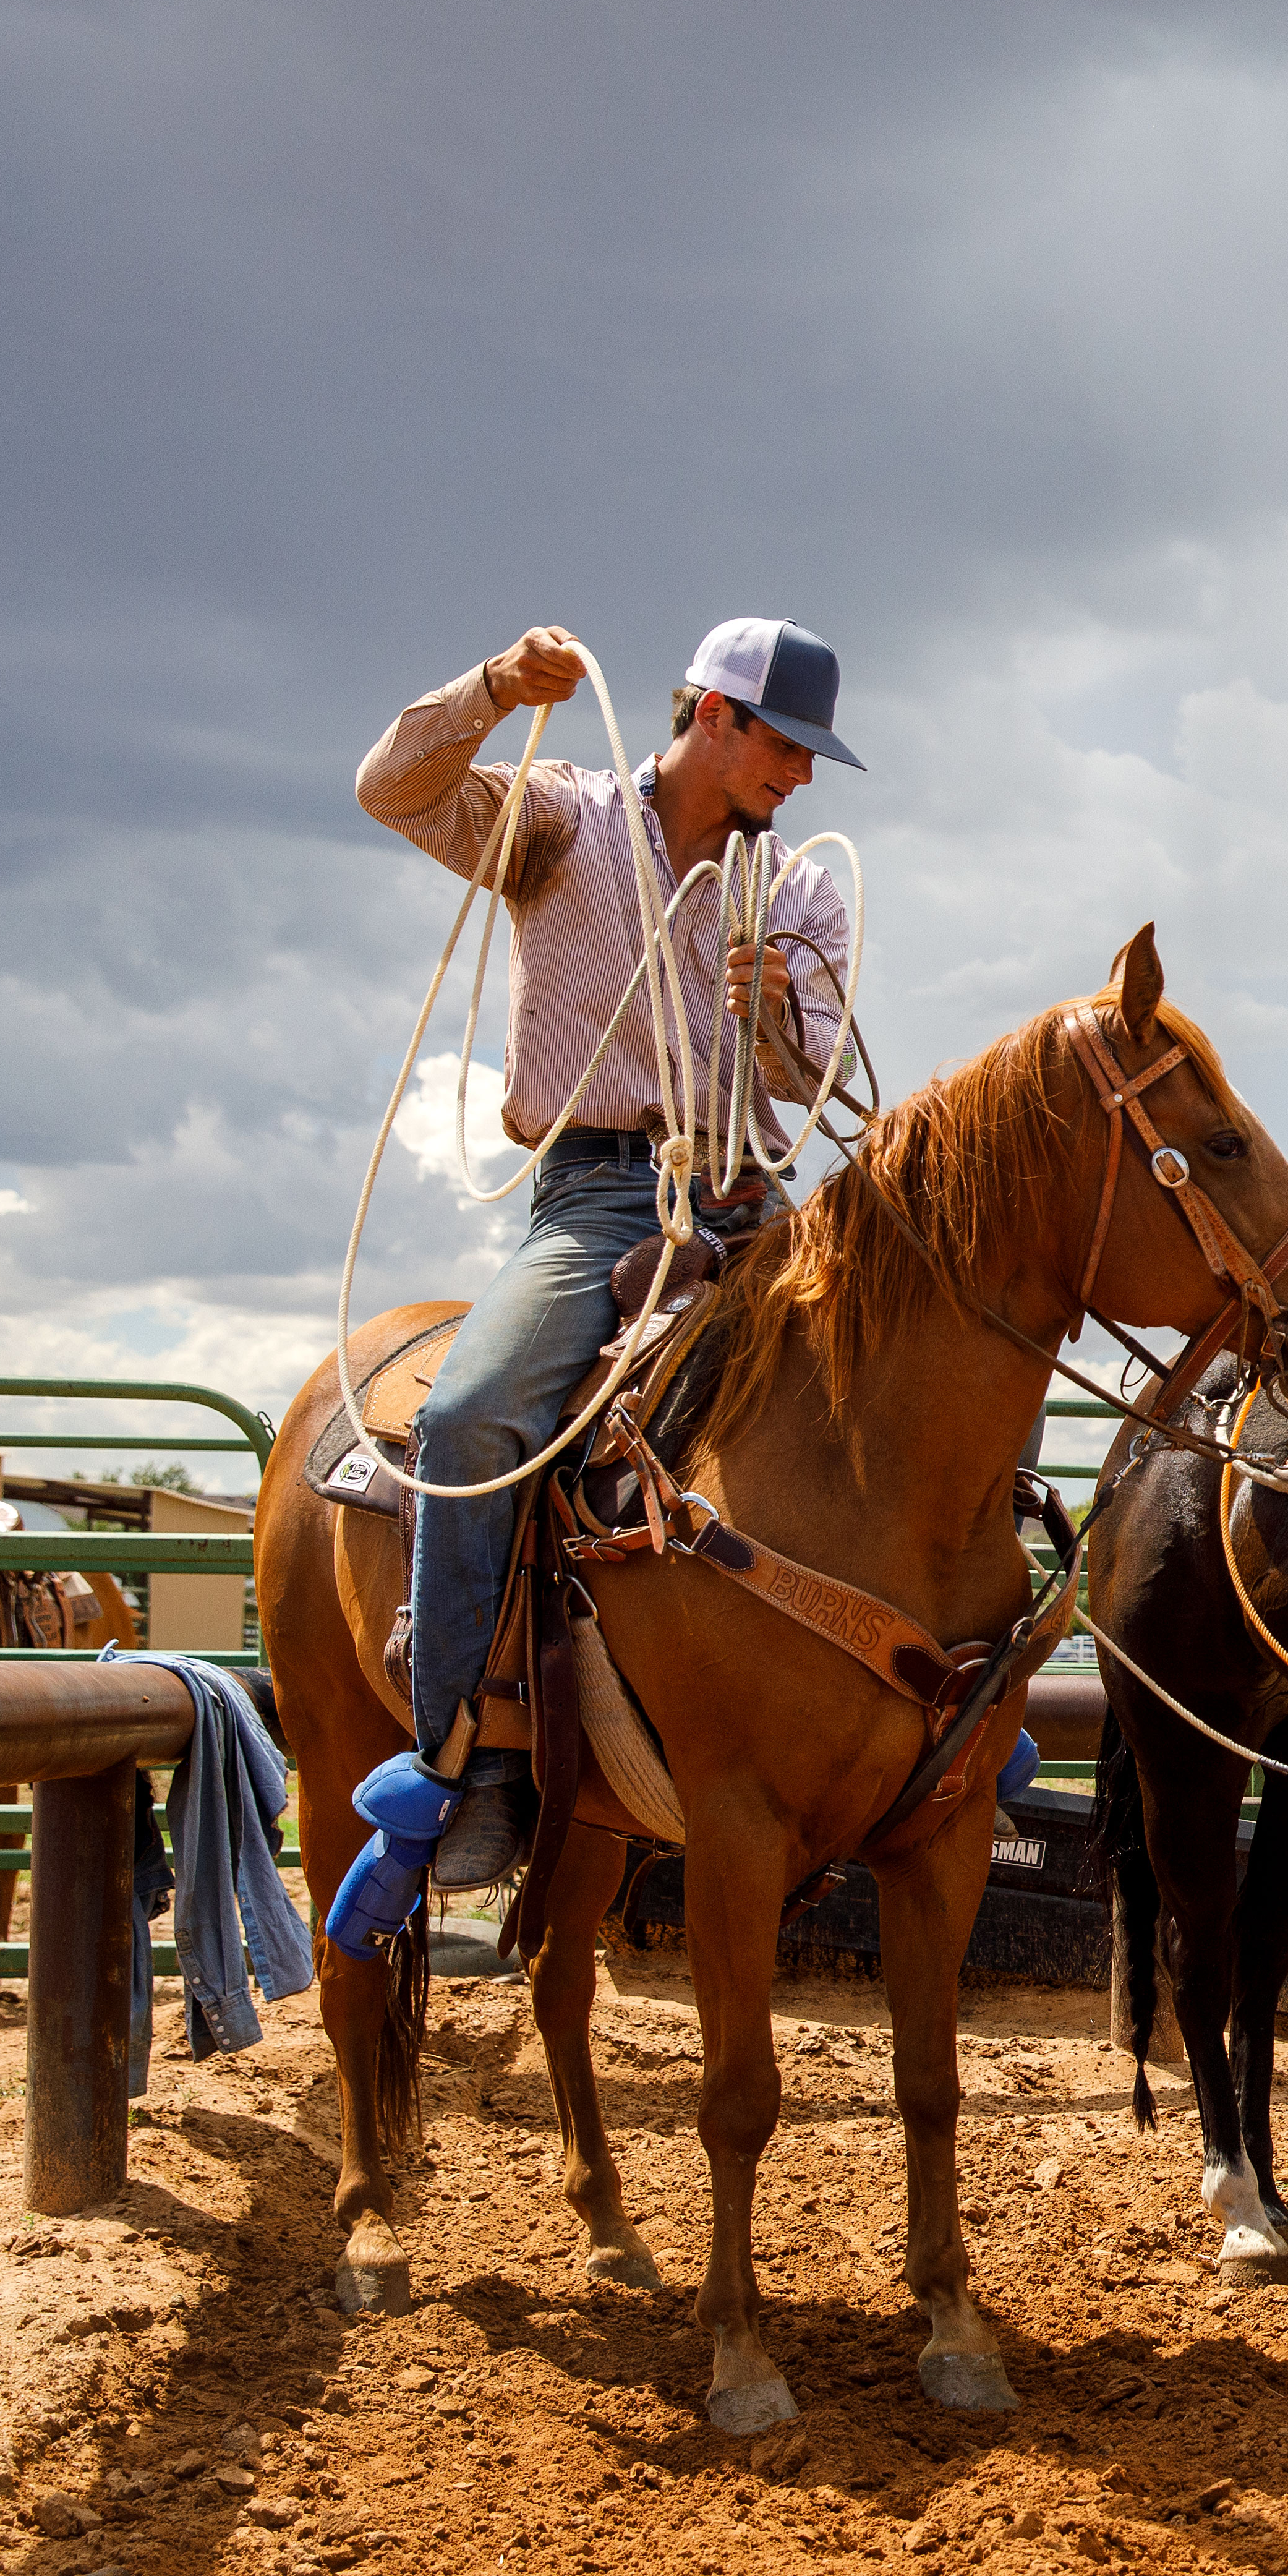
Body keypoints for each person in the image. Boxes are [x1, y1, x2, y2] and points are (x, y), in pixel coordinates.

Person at [352, 618, 858, 1885]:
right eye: (788, 747)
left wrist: (779, 1024)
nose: (800, 777)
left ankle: (952, 1694)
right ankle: (465, 1753)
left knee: (931, 1344)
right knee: (470, 1417)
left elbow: (816, 1081)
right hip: (601, 1196)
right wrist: (488, 690)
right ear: (713, 715)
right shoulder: (562, 822)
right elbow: (392, 790)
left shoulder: (797, 889)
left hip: (752, 1199)